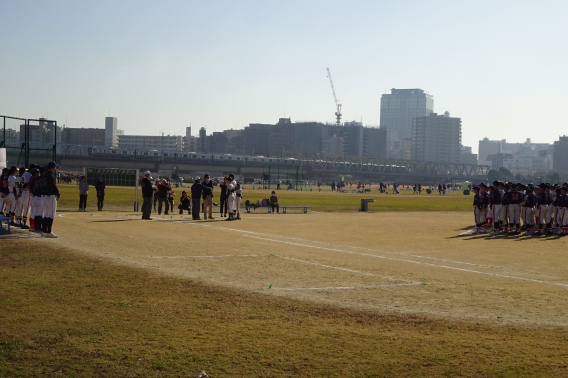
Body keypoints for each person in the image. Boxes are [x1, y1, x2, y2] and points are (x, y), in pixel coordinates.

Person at [41, 162, 60, 238]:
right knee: (51, 215)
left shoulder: (44, 175)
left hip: (44, 196)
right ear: (52, 168)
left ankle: (44, 230)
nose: (55, 169)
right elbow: (53, 186)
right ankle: (48, 231)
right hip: (50, 196)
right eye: (55, 167)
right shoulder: (49, 176)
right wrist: (58, 194)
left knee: (46, 214)